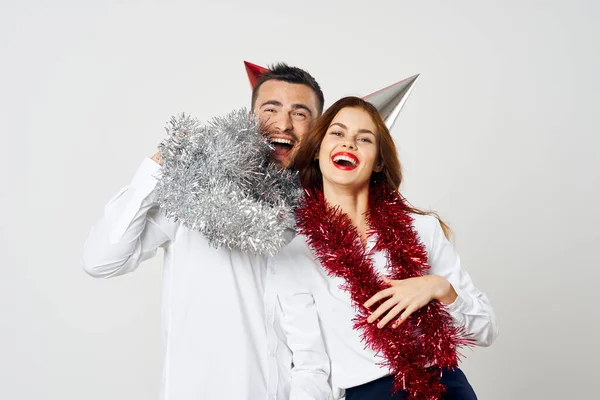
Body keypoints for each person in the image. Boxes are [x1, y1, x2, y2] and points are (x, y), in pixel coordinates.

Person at [81, 63, 331, 400]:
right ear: (248, 117)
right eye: (270, 109)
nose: (283, 124)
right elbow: (101, 260)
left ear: (317, 129)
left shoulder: (325, 219)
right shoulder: (193, 195)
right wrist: (157, 169)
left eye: (300, 114)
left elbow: (318, 350)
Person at [272, 96, 498, 399]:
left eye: (364, 139)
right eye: (337, 133)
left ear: (378, 161)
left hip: (448, 388)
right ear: (317, 151)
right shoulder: (296, 254)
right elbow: (311, 367)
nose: (349, 143)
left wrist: (436, 287)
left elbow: (485, 329)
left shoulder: (422, 230)